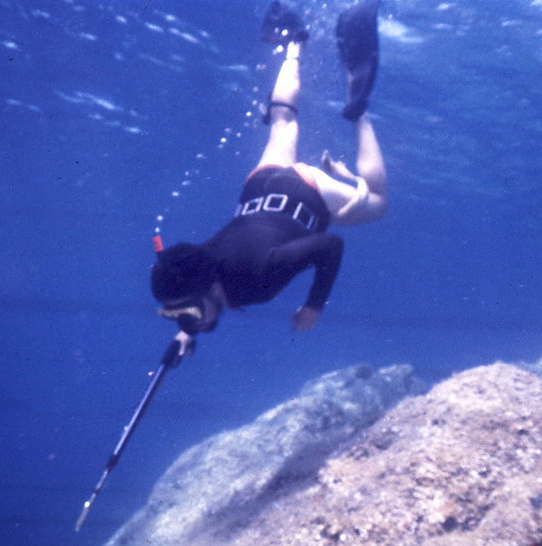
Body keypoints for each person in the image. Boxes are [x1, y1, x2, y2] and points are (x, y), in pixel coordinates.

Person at [151, 0, 386, 354]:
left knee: (378, 203)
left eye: (189, 314)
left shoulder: (255, 284)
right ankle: (294, 44)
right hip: (261, 185)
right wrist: (189, 331)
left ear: (212, 290)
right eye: (178, 317)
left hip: (309, 193)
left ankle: (358, 112)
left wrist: (313, 306)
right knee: (282, 119)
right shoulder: (202, 261)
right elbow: (193, 278)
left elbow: (330, 246)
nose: (189, 320)